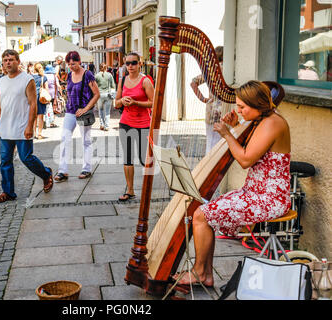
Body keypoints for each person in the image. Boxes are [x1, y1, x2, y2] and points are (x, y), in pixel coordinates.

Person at [172, 80, 291, 288]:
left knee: (201, 215)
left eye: (243, 107)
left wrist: (227, 134)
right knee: (203, 212)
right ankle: (206, 274)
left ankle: (199, 272)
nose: (239, 110)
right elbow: (252, 148)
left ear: (260, 105)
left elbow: (245, 159)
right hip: (253, 193)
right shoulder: (261, 121)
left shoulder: (273, 123)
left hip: (268, 200)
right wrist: (236, 126)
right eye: (238, 105)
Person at [0, 49, 53, 203]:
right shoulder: (1, 80)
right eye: (5, 60)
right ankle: (8, 192)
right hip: (5, 127)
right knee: (5, 161)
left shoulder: (27, 79)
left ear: (18, 61)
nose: (8, 63)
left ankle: (46, 174)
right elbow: (1, 103)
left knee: (26, 158)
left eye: (11, 59)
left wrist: (29, 126)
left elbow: (33, 104)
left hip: (21, 125)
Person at [54, 51, 100, 182]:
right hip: (70, 111)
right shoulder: (69, 75)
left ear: (79, 61)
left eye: (73, 63)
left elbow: (96, 94)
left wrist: (86, 108)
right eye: (68, 64)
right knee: (65, 138)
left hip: (83, 113)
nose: (71, 66)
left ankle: (87, 168)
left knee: (86, 140)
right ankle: (63, 171)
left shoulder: (87, 74)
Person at [114, 52, 154, 201]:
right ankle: (130, 190)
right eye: (128, 63)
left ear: (140, 63)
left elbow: (154, 102)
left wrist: (136, 103)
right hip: (125, 122)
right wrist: (122, 100)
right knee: (128, 157)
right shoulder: (123, 80)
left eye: (134, 63)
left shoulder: (145, 81)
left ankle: (147, 188)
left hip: (143, 124)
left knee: (145, 159)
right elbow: (116, 102)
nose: (130, 66)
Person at [190, 46, 224, 154]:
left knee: (210, 143)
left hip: (210, 110)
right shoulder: (227, 70)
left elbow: (193, 83)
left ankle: (208, 167)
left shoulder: (210, 70)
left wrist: (203, 99)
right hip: (224, 111)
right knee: (219, 146)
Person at [95, 63, 115, 131]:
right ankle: (107, 126)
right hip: (108, 95)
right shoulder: (109, 75)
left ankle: (102, 124)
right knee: (107, 111)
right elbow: (113, 85)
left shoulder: (97, 76)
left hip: (99, 95)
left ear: (99, 68)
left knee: (100, 110)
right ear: (106, 68)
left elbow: (94, 86)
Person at [31, 63, 49, 139]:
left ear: (34, 69)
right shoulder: (43, 77)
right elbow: (47, 88)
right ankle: (39, 134)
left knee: (34, 117)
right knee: (40, 116)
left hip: (32, 97)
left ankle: (34, 133)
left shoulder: (30, 77)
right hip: (41, 97)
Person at [44, 64, 60, 129]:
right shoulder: (54, 76)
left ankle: (45, 121)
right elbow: (58, 85)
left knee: (46, 108)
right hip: (53, 94)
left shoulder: (44, 76)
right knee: (53, 108)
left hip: (46, 94)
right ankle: (52, 122)